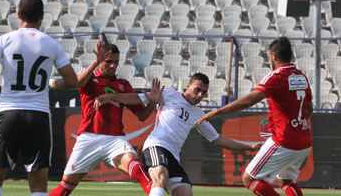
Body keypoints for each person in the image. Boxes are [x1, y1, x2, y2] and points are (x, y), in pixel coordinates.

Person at [0, 0, 78, 196]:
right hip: (38, 116)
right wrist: (54, 83)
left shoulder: (5, 39)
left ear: (19, 15)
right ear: (42, 17)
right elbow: (72, 81)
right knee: (38, 185)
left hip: (8, 113)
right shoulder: (51, 44)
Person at [95, 73, 262, 196]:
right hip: (156, 146)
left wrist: (249, 147)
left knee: (185, 192)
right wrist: (111, 96)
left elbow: (217, 139)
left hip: (173, 156)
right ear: (188, 85)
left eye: (203, 92)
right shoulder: (168, 94)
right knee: (161, 175)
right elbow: (138, 99)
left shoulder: (198, 114)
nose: (199, 95)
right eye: (197, 90)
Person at [195, 37, 313, 196]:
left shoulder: (276, 76)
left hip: (284, 140)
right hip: (304, 140)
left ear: (273, 56)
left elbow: (249, 101)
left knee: (249, 179)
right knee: (285, 182)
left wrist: (218, 111)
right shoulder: (301, 76)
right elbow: (309, 109)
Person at [49, 39, 157, 196]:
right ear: (100, 60)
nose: (113, 65)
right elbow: (76, 83)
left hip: (115, 139)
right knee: (64, 188)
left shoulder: (123, 84)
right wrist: (95, 62)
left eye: (116, 62)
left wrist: (152, 104)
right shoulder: (89, 77)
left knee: (137, 168)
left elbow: (141, 115)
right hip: (88, 138)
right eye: (108, 62)